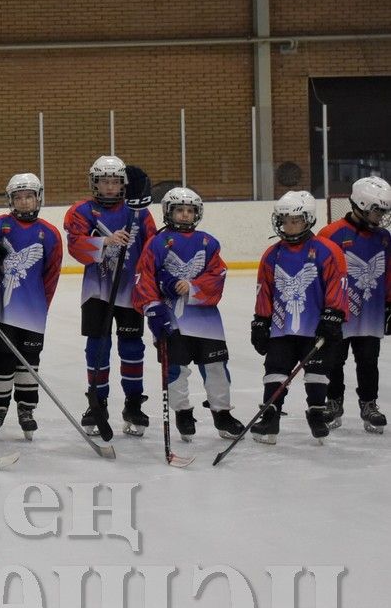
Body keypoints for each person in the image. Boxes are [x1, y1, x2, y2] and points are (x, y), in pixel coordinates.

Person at [132, 188, 246, 441]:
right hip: (172, 320)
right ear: (168, 212)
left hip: (206, 320)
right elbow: (144, 277)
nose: (185, 215)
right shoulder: (157, 243)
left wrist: (193, 287)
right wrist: (153, 309)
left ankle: (222, 413)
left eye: (190, 210)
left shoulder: (208, 241)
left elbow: (219, 274)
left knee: (216, 366)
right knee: (176, 369)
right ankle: (182, 412)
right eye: (179, 210)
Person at [65, 155, 157, 436]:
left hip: (131, 291)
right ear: (95, 183)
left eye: (116, 182)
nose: (110, 187)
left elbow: (154, 247)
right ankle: (98, 403)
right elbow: (76, 247)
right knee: (98, 347)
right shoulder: (81, 211)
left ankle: (133, 403)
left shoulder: (139, 212)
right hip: (98, 292)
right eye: (104, 181)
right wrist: (105, 241)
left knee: (131, 348)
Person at [250, 191, 348, 444]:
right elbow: (265, 290)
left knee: (317, 372)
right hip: (282, 328)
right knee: (275, 370)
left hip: (316, 327)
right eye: (285, 220)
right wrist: (261, 321)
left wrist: (333, 316)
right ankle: (270, 416)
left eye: (295, 220)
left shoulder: (327, 250)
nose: (289, 226)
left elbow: (338, 286)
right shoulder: (272, 254)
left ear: (308, 220)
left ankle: (316, 412)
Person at [0, 174, 62, 439]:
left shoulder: (49, 234)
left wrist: (41, 306)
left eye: (29, 196)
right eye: (18, 197)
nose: (24, 202)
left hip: (32, 311)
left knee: (29, 363)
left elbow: (52, 274)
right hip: (1, 311)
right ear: (11, 200)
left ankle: (26, 409)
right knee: (0, 361)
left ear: (38, 198)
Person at [317, 175, 391, 433]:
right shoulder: (331, 234)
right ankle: (333, 402)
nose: (381, 216)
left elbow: (389, 272)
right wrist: (322, 309)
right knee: (334, 361)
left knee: (369, 360)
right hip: (339, 313)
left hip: (371, 312)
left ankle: (369, 404)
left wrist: (390, 304)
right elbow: (319, 272)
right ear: (361, 204)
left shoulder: (384, 237)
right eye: (377, 210)